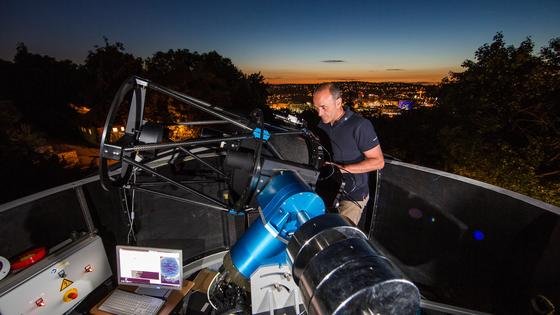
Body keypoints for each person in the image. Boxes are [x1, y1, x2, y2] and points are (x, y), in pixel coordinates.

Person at [313, 82, 384, 225]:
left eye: (323, 107)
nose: (319, 113)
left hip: (352, 196)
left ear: (338, 102)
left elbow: (378, 162)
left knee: (338, 236)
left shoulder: (360, 125)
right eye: (316, 108)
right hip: (327, 191)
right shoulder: (321, 125)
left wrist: (340, 169)